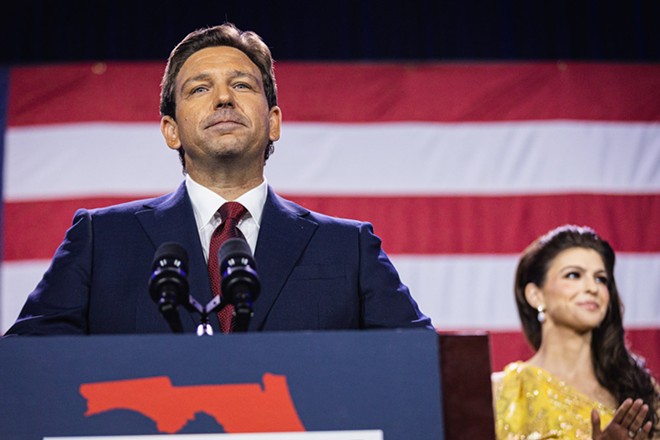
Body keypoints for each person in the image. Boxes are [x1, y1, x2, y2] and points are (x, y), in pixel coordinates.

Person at [5, 23, 432, 335]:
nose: (224, 98)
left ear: (274, 122)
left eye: (242, 85)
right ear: (170, 129)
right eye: (199, 89)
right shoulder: (100, 240)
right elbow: (29, 372)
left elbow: (424, 368)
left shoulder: (349, 248)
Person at [491, 225, 659, 439]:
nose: (592, 287)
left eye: (601, 279)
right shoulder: (501, 392)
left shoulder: (639, 388)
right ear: (536, 296)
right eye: (573, 275)